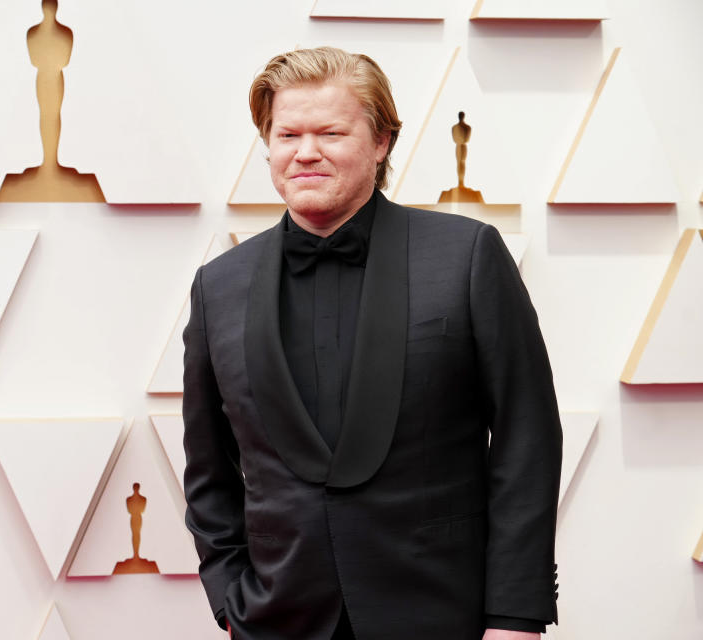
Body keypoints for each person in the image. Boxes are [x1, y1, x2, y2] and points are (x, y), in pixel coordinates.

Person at [182, 47, 561, 640]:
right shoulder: (218, 286)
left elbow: (526, 439)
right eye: (287, 134)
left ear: (382, 141)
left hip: (442, 616)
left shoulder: (467, 256)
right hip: (276, 621)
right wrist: (231, 602)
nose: (306, 152)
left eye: (331, 132)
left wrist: (515, 616)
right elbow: (208, 471)